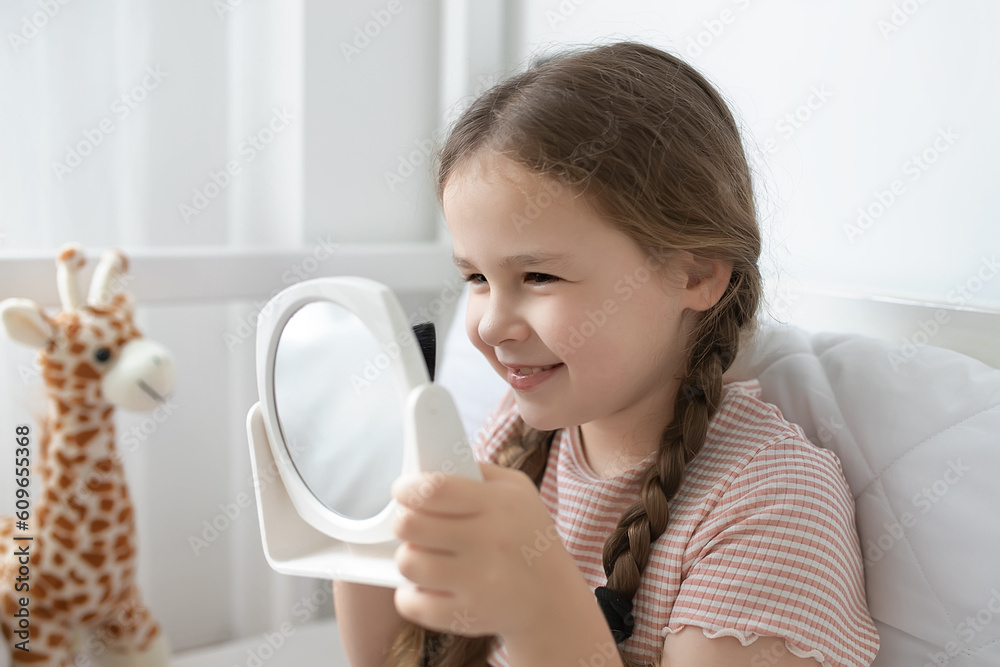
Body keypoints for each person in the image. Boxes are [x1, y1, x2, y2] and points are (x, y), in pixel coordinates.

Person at [334, 41, 879, 667]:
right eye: (476, 280)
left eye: (538, 277)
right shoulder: (515, 439)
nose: (487, 327)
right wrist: (358, 539)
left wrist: (542, 609)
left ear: (696, 273)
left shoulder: (770, 503)